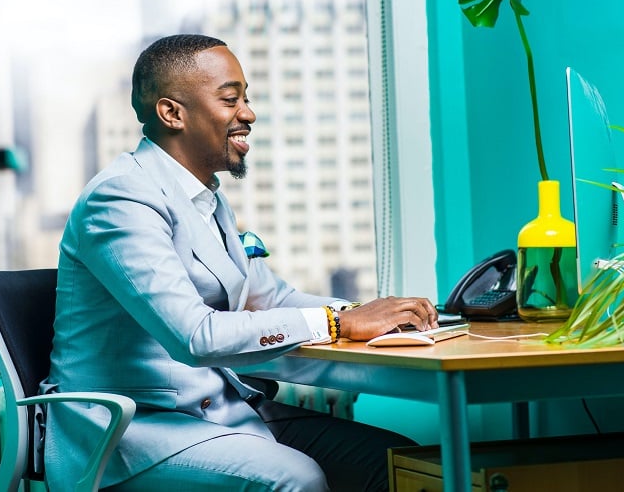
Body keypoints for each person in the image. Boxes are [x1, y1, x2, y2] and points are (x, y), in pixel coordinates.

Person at [41, 34, 440, 492]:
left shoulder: (204, 197)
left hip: (220, 417)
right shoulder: (120, 198)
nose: (248, 113)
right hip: (132, 435)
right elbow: (196, 336)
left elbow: (271, 297)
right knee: (296, 478)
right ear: (172, 113)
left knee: (392, 461)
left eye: (246, 98)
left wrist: (372, 315)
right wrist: (338, 323)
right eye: (231, 99)